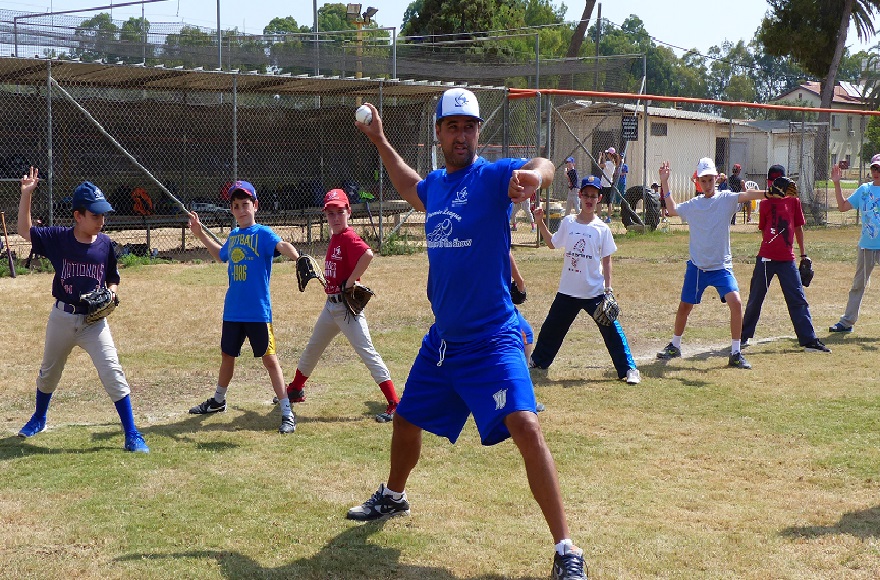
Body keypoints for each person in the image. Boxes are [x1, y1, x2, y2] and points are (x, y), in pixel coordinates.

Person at [351, 88, 588, 579]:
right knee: (405, 420)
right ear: (439, 133)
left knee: (526, 425)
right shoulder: (436, 186)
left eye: (470, 126)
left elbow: (542, 164)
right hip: (443, 341)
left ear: (479, 131)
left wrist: (534, 177)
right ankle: (394, 496)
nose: (462, 135)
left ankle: (566, 548)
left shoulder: (493, 177)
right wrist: (378, 139)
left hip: (492, 335)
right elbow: (409, 183)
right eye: (453, 127)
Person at [16, 167, 149, 453]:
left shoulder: (104, 244)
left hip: (93, 322)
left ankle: (132, 433)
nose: (101, 220)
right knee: (49, 373)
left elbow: (113, 277)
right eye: (95, 215)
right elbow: (24, 231)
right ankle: (39, 418)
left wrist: (111, 293)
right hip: (62, 317)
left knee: (113, 372)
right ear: (78, 216)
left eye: (103, 215)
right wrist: (27, 195)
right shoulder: (59, 238)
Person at [187, 180, 301, 434]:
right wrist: (199, 234)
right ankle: (218, 401)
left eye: (246, 204)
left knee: (270, 360)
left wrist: (299, 257)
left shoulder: (262, 234)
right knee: (228, 356)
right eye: (236, 206)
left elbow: (281, 246)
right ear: (232, 210)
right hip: (233, 311)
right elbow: (221, 255)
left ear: (255, 206)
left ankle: (285, 411)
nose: (241, 210)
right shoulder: (235, 236)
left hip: (258, 312)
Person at [285, 188, 400, 423]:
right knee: (313, 348)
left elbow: (367, 254)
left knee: (367, 352)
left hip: (346, 309)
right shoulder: (335, 237)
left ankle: (395, 403)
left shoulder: (347, 236)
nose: (336, 218)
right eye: (331, 214)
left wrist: (350, 281)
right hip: (331, 306)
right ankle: (295, 389)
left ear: (348, 212)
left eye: (340, 212)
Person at [655, 158, 765, 369]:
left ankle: (735, 352)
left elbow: (749, 195)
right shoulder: (694, 205)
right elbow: (672, 209)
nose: (707, 184)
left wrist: (771, 193)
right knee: (685, 307)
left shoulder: (726, 199)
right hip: (697, 267)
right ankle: (675, 345)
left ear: (717, 179)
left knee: (736, 303)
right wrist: (664, 182)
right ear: (697, 182)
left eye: (710, 179)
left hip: (721, 267)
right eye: (703, 180)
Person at [530, 175, 641, 385]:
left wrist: (608, 289)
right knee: (552, 328)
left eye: (594, 196)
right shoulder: (569, 222)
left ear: (599, 198)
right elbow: (553, 244)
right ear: (580, 196)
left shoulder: (602, 228)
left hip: (594, 291)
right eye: (586, 195)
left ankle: (628, 369)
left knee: (612, 330)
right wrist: (540, 223)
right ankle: (538, 361)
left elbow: (607, 261)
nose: (589, 199)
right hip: (568, 290)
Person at [741, 165, 829, 353]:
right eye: (773, 181)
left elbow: (798, 227)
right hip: (766, 258)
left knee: (797, 298)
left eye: (779, 180)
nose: (776, 184)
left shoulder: (793, 202)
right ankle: (743, 336)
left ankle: (808, 340)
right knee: (756, 298)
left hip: (787, 259)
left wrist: (803, 255)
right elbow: (764, 229)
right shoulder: (764, 204)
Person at [829, 154, 880, 333]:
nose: (876, 172)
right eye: (874, 168)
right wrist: (837, 183)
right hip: (866, 246)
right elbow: (842, 207)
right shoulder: (864, 190)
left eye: (879, 169)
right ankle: (847, 322)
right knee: (858, 285)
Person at [598, 147, 620, 222]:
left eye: (607, 153)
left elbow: (599, 165)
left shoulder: (608, 163)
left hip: (603, 183)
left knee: (599, 201)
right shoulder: (613, 164)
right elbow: (606, 166)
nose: (607, 155)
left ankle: (599, 216)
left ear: (610, 154)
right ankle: (608, 218)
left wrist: (600, 157)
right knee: (609, 202)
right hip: (609, 183)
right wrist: (604, 158)